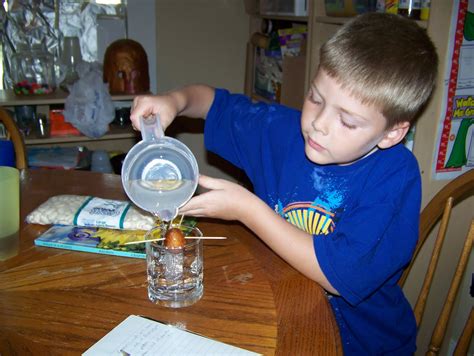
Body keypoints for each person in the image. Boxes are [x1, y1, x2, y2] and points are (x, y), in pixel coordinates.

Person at [130, 12, 438, 355]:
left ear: (392, 133)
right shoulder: (281, 132)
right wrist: (174, 101)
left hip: (365, 344)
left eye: (347, 121)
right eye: (316, 98)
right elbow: (214, 103)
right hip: (284, 312)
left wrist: (247, 209)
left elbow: (336, 275)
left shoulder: (395, 178)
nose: (318, 124)